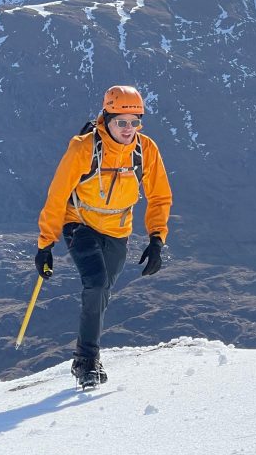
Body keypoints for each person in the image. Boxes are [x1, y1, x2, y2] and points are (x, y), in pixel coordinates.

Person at [35, 85, 172, 388]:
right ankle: (86, 361)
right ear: (106, 119)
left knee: (103, 291)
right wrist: (46, 244)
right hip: (80, 223)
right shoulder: (82, 148)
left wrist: (156, 239)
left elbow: (160, 196)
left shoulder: (145, 150)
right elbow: (57, 196)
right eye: (121, 121)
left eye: (135, 121)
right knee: (96, 283)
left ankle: (86, 353)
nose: (128, 128)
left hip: (118, 230)